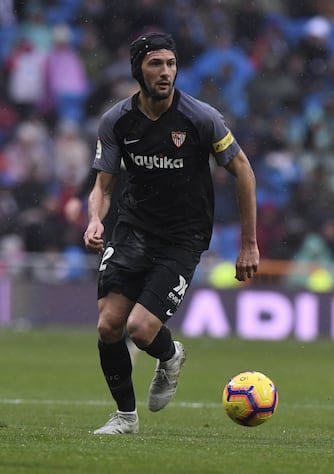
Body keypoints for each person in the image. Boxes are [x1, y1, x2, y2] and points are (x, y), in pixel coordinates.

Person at [83, 32, 259, 435]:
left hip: (183, 236)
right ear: (137, 70)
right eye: (155, 64)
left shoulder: (200, 118)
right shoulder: (116, 121)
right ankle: (125, 418)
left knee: (140, 329)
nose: (165, 73)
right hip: (133, 228)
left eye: (171, 64)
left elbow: (244, 171)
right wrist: (95, 219)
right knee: (109, 325)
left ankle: (170, 355)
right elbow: (104, 186)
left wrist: (249, 244)